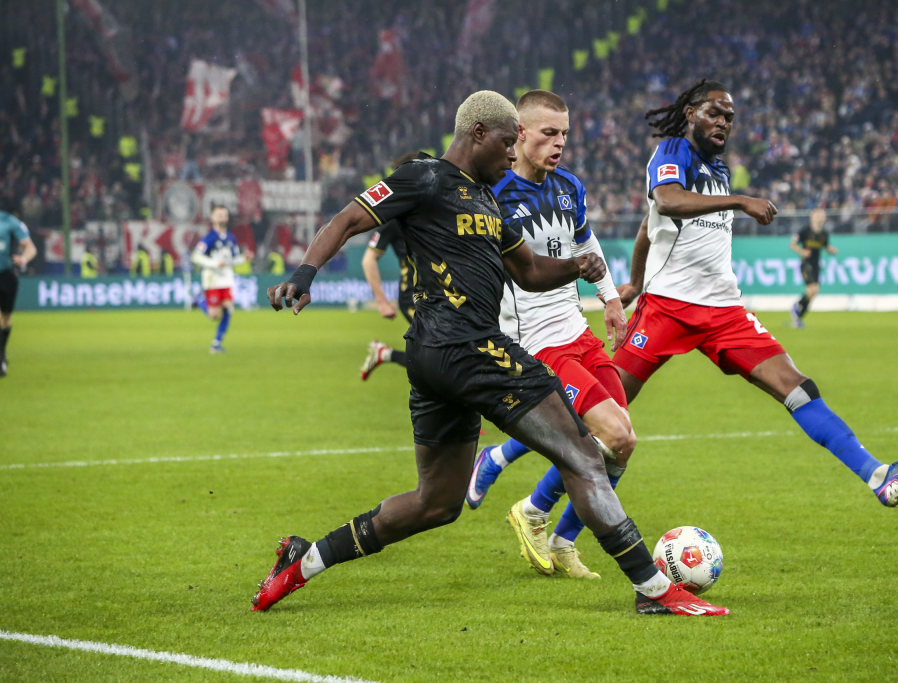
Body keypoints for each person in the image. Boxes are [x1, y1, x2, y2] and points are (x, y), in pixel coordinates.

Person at [254, 90, 728, 617]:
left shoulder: (487, 200)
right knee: (583, 456)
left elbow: (530, 271)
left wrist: (577, 268)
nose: (511, 152)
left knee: (436, 503)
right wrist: (305, 274)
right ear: (478, 133)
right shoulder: (424, 177)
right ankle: (653, 589)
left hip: (436, 359)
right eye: (506, 141)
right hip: (470, 347)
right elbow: (347, 219)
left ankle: (303, 560)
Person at [613, 79, 898, 508]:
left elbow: (647, 225)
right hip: (668, 308)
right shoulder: (673, 151)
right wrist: (739, 201)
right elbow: (666, 202)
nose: (723, 123)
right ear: (690, 114)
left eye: (729, 117)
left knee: (799, 388)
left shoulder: (719, 170)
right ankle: (535, 502)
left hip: (724, 311)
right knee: (606, 411)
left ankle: (879, 476)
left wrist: (634, 280)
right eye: (714, 113)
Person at [463, 90, 632, 580]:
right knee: (609, 433)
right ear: (519, 134)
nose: (560, 143)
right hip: (535, 341)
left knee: (621, 444)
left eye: (565, 134)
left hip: (576, 329)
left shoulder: (568, 186)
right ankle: (531, 508)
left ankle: (561, 538)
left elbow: (585, 241)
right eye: (549, 133)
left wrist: (611, 298)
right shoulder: (492, 194)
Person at [359, 151, 419, 381]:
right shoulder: (394, 217)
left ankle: (384, 354)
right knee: (444, 354)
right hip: (414, 296)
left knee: (443, 355)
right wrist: (382, 302)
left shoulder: (434, 208)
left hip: (441, 293)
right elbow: (368, 259)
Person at [191, 205, 251, 353]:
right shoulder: (210, 237)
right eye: (219, 215)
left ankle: (216, 343)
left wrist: (244, 258)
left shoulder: (231, 238)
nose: (222, 217)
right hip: (212, 279)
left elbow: (233, 260)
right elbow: (196, 256)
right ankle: (199, 300)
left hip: (226, 279)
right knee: (214, 316)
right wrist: (214, 263)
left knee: (228, 308)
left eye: (224, 214)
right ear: (212, 218)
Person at [0, 209, 37, 377]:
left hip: (6, 275)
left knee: (5, 318)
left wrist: (24, 259)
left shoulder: (10, 222)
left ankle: (2, 355)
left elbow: (30, 247)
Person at [790, 207, 837, 328]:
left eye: (822, 215)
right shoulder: (805, 231)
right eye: (818, 215)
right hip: (806, 263)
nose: (820, 218)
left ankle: (798, 315)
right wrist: (802, 251)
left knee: (813, 292)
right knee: (813, 289)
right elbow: (793, 244)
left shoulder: (824, 234)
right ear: (812, 217)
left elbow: (826, 246)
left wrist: (831, 250)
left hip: (816, 264)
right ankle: (797, 307)